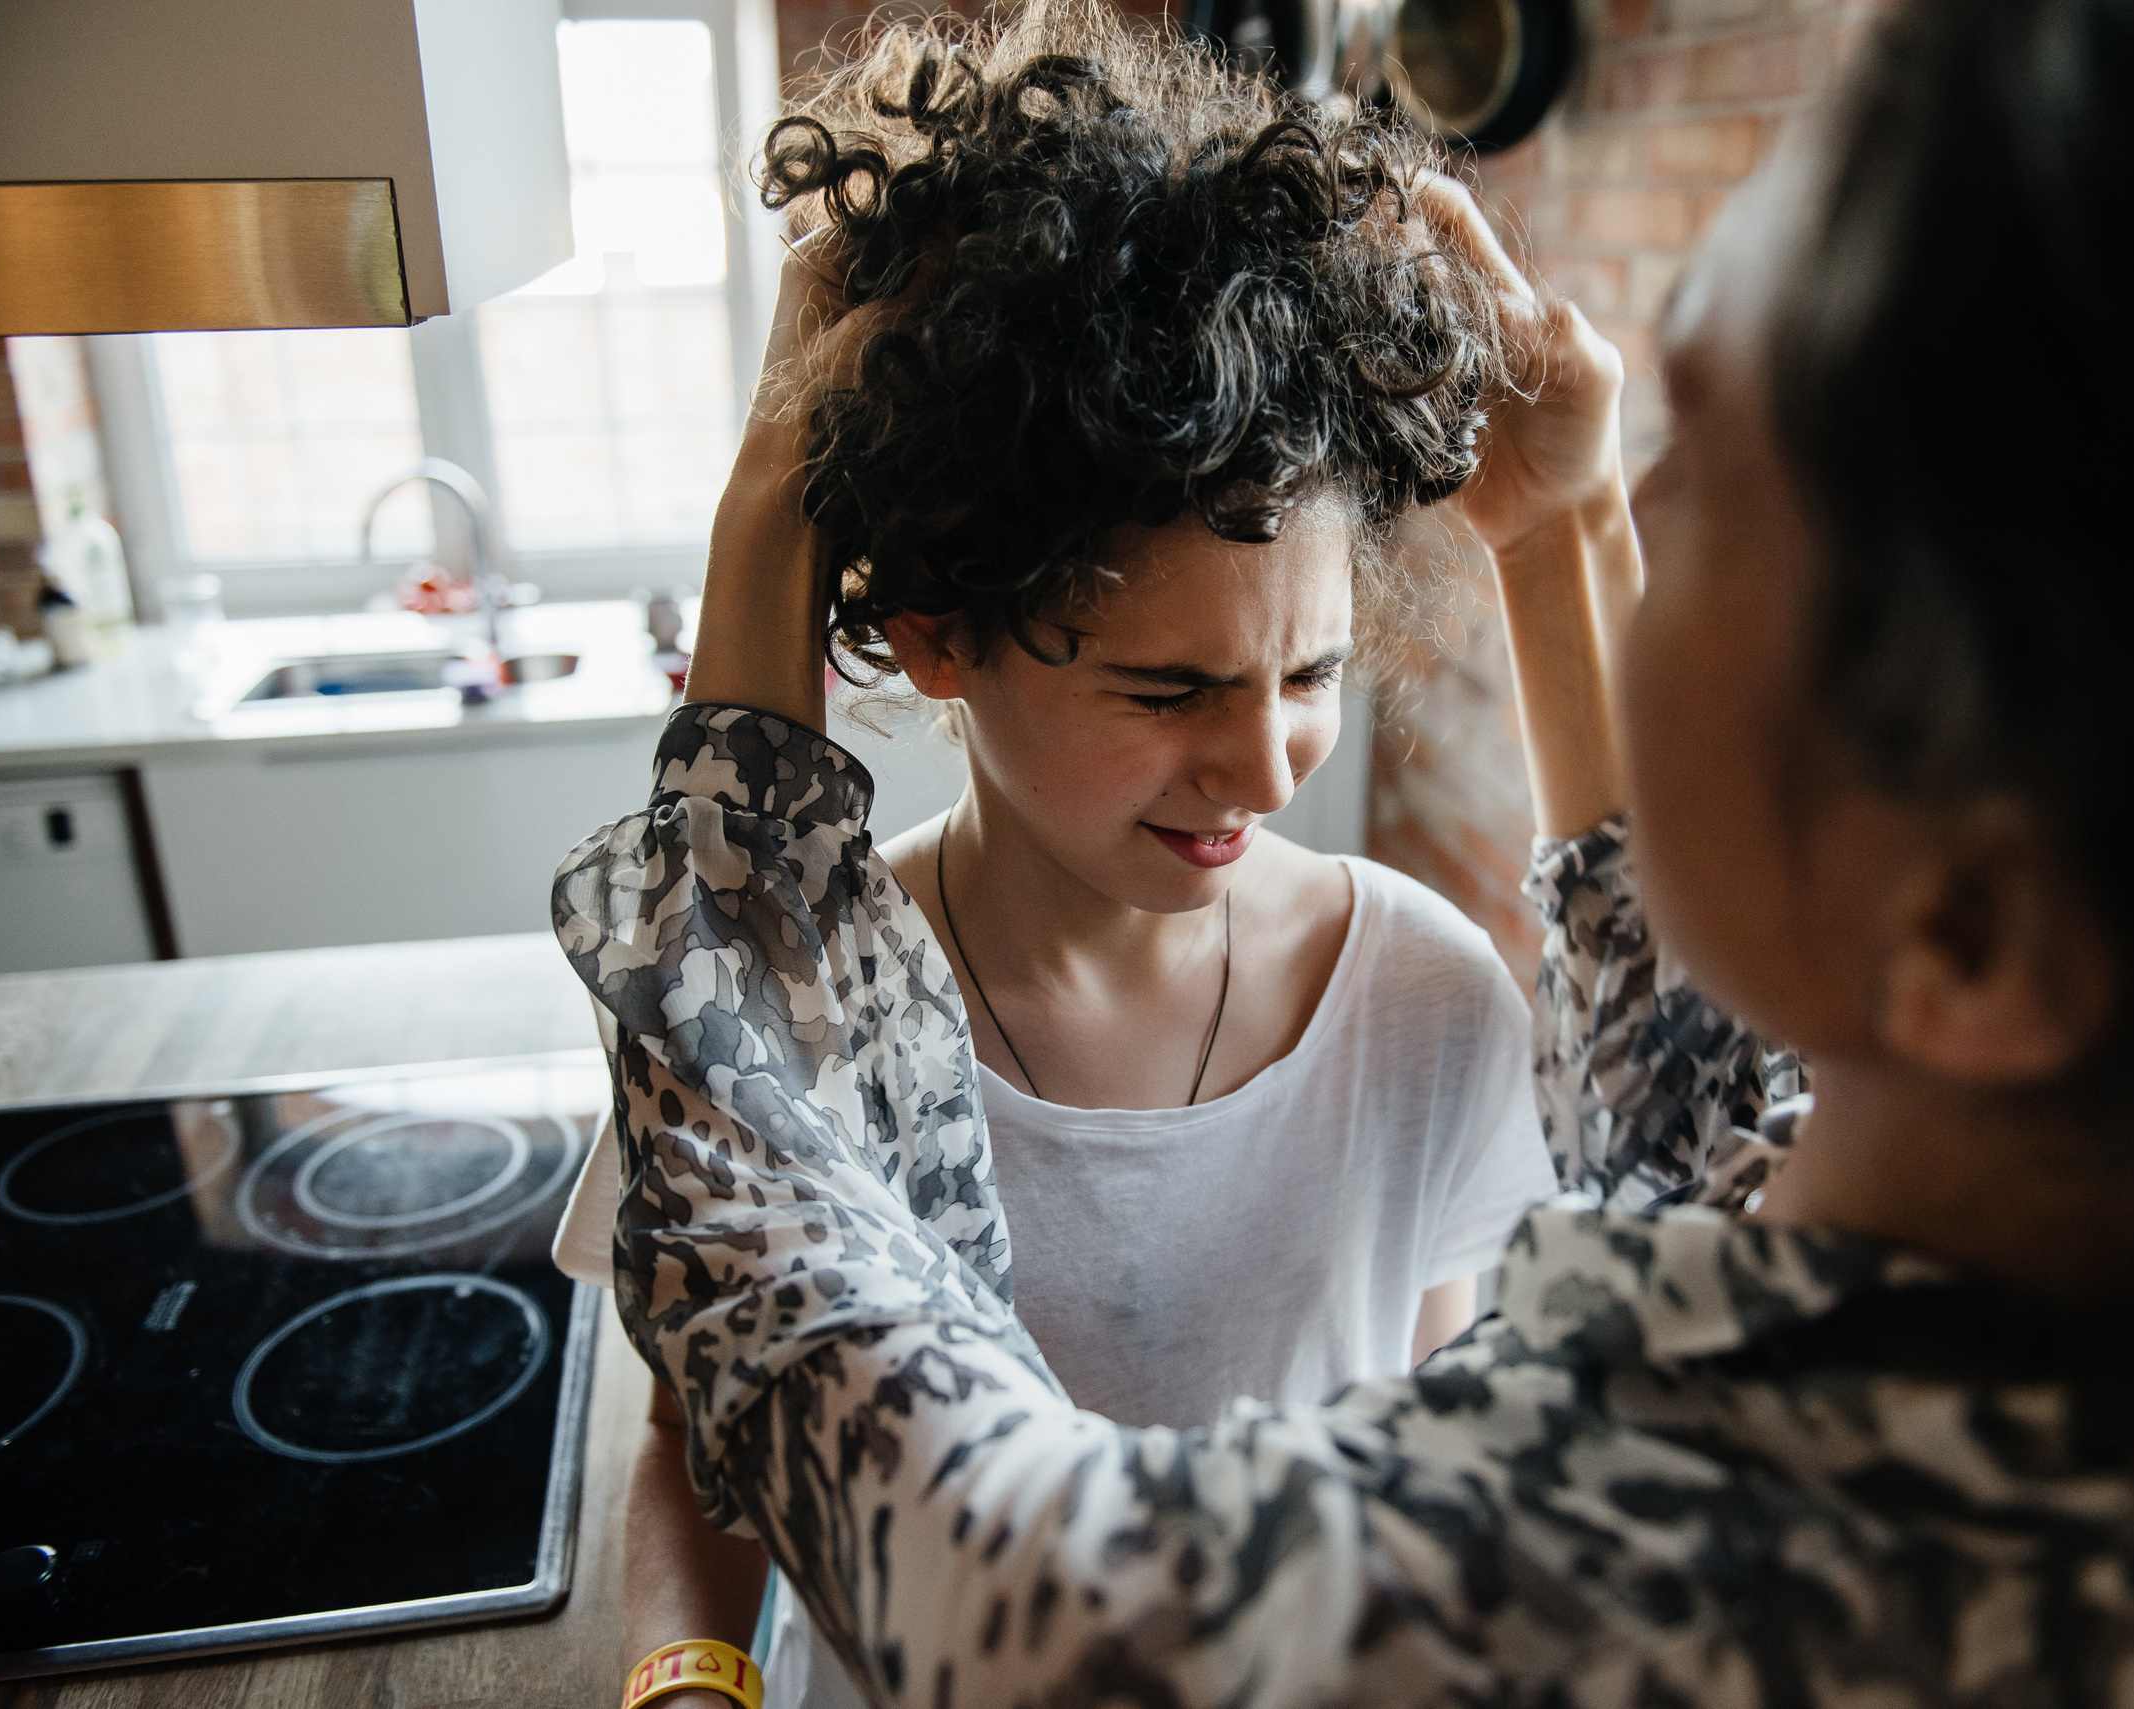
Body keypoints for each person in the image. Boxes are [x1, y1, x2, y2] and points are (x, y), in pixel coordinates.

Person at [555, 0, 2134, 1702]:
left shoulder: (1652, 1558)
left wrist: (762, 513)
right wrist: (1561, 529)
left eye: (1692, 476)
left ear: (1966, 923)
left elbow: (959, 1528)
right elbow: (1700, 1127)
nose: (1613, 506)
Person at [549, 8, 1559, 1704]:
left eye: (1306, 675)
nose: (1262, 765)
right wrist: (685, 1679)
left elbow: (1422, 1443)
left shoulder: (1427, 1001)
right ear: (942, 634)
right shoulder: (793, 1019)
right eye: (1169, 688)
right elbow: (696, 1442)